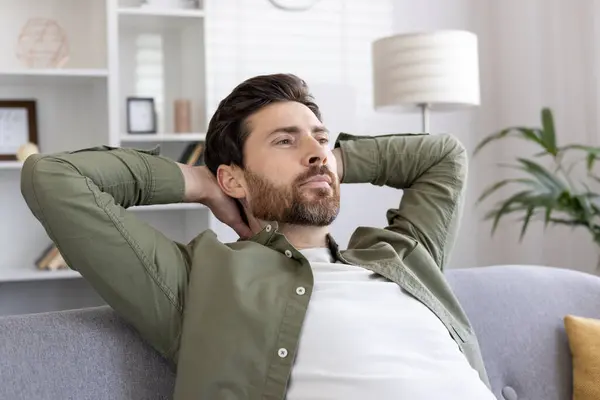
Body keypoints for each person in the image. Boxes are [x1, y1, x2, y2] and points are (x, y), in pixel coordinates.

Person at [21, 73, 495, 400]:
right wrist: (202, 183)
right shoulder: (201, 280)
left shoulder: (405, 255)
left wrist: (329, 162)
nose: (315, 151)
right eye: (285, 140)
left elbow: (444, 156)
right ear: (235, 179)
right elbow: (54, 178)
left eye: (320, 137)